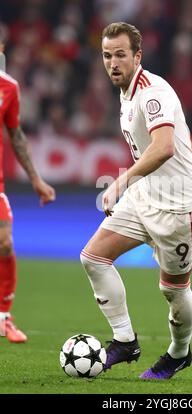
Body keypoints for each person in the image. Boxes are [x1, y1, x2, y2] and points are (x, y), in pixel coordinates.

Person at [80, 22, 192, 380]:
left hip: (180, 207)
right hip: (145, 197)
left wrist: (121, 181)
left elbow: (164, 147)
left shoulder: (152, 92)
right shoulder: (125, 94)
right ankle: (125, 341)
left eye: (121, 55)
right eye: (107, 56)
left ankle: (178, 353)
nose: (113, 62)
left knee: (172, 291)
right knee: (93, 258)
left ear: (137, 56)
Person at [0, 39, 56, 343]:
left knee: (5, 242)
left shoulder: (8, 88)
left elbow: (15, 134)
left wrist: (36, 179)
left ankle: (3, 318)